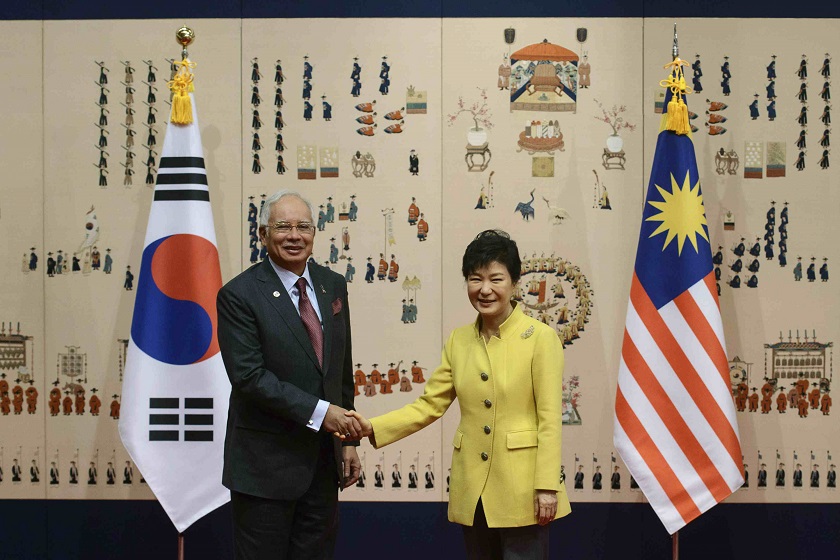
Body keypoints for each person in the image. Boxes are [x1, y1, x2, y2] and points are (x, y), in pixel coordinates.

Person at [347, 230, 570, 559]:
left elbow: (549, 419)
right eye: (475, 279)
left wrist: (547, 486)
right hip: (473, 490)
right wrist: (372, 427)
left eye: (496, 278)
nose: (485, 289)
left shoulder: (540, 338)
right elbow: (429, 406)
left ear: (515, 283)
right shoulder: (459, 341)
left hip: (524, 491)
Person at [217, 190, 362, 559]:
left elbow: (340, 370)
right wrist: (321, 413)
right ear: (263, 235)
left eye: (303, 226)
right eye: (282, 226)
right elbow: (249, 377)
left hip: (323, 467)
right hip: (264, 469)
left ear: (314, 233)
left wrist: (347, 441)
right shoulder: (239, 295)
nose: (294, 235)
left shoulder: (333, 285)